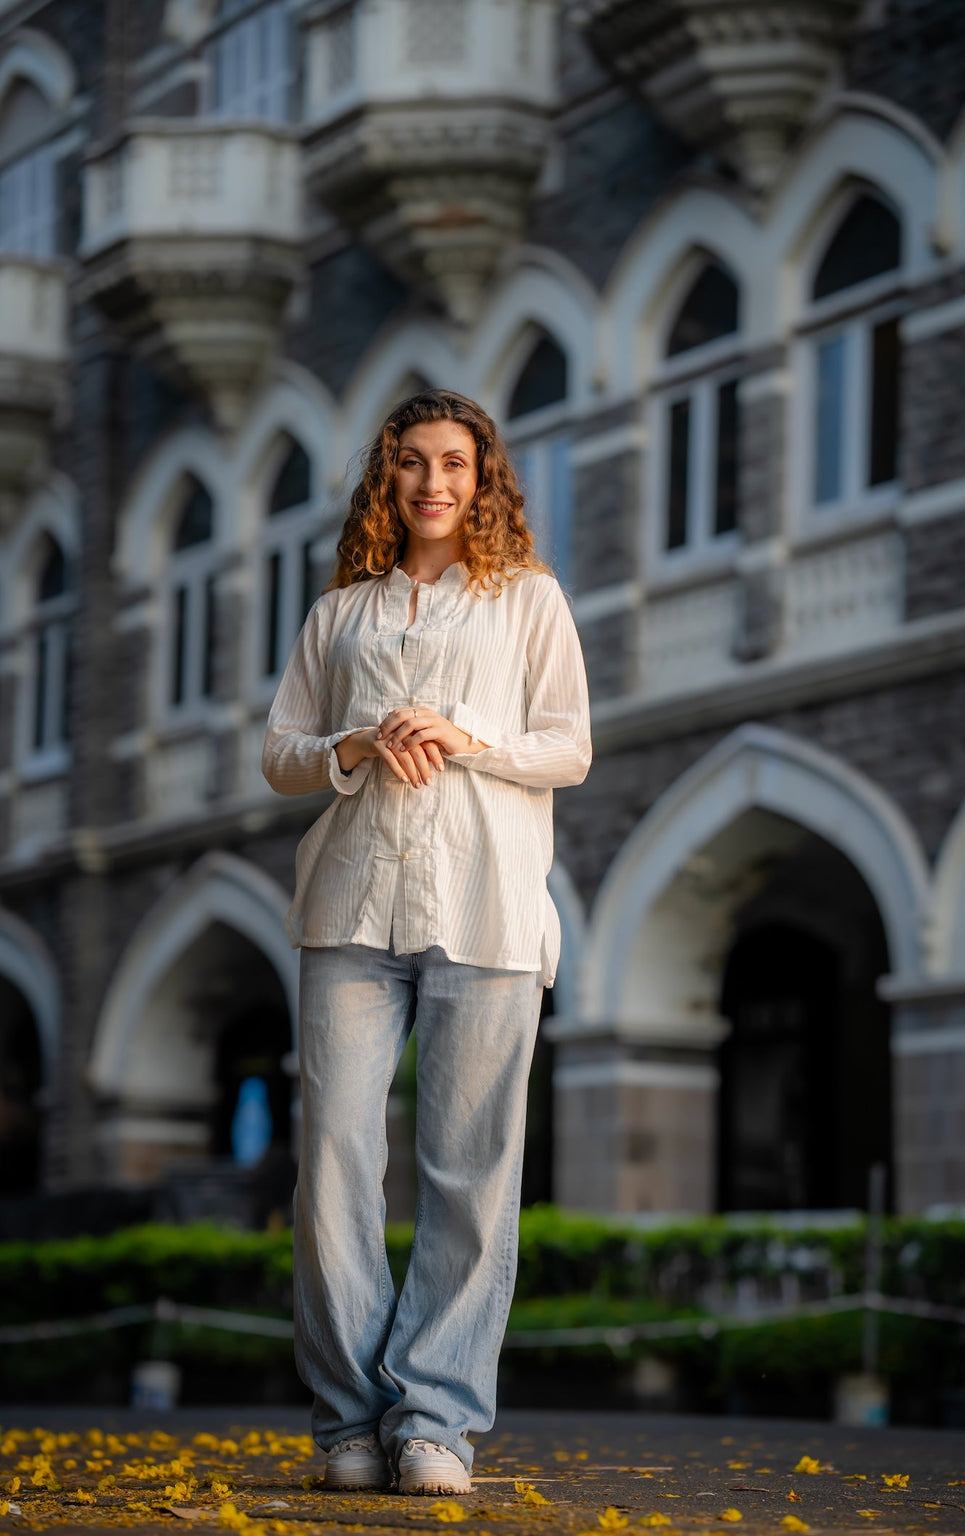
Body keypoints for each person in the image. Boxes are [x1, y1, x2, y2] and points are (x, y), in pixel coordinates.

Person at [262, 389, 591, 1496]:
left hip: (488, 907)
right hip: (350, 908)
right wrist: (354, 742)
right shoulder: (338, 617)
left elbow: (569, 747)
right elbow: (280, 755)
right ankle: (349, 1422)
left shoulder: (528, 602)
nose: (433, 482)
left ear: (483, 477)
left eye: (455, 462)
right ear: (385, 479)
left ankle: (435, 1423)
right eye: (411, 462)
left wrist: (465, 737)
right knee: (335, 1168)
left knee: (469, 1173)